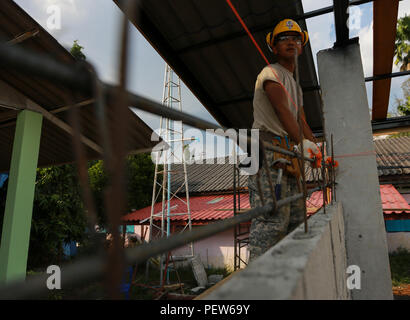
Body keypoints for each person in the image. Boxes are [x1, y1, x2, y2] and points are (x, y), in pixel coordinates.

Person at [248, 19, 318, 261]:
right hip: (267, 150)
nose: (291, 41)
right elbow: (282, 111)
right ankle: (258, 284)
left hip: (288, 154)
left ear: (302, 46)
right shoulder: (270, 72)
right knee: (272, 221)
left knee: (296, 219)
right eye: (283, 38)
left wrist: (317, 148)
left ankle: (286, 282)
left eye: (296, 38)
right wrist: (304, 144)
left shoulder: (296, 87)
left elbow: (301, 120)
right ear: (274, 47)